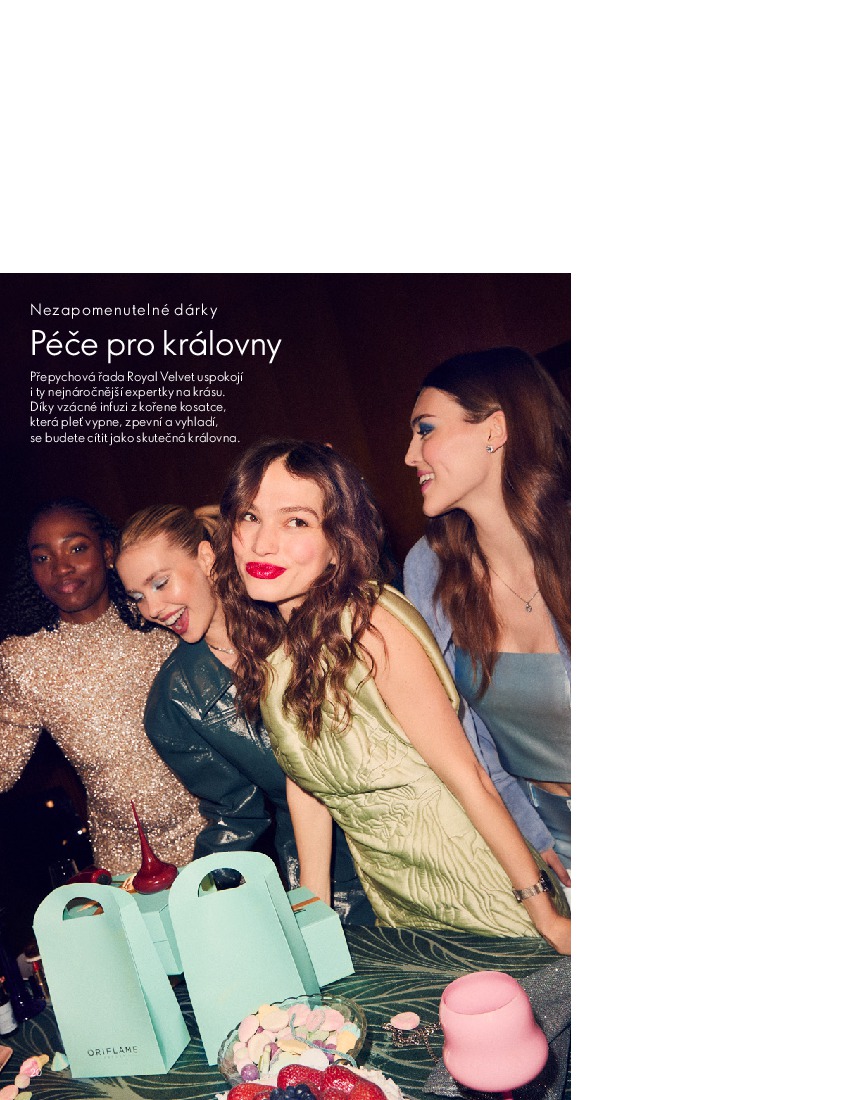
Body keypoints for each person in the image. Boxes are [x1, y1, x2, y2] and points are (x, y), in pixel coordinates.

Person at [212, 439, 570, 952]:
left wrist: (546, 915)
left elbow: (469, 779)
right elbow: (307, 785)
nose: (262, 543)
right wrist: (313, 916)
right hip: (401, 909)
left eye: (296, 522)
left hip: (485, 896)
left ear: (338, 542)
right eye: (250, 517)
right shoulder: (274, 653)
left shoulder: (370, 626)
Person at [115, 505, 374, 925]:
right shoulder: (174, 703)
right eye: (138, 597)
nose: (153, 608)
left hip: (403, 830)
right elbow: (234, 815)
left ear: (206, 558)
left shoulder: (296, 614)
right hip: (327, 878)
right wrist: (195, 903)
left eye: (161, 583)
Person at [403, 348, 571, 872]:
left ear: (494, 429)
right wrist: (529, 837)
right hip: (549, 841)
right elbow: (460, 731)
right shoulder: (428, 568)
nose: (410, 456)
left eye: (425, 430)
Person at [0, 499, 204, 872]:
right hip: (122, 859)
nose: (61, 567)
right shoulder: (22, 659)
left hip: (214, 833)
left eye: (77, 549)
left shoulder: (159, 619)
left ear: (108, 552)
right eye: (42, 557)